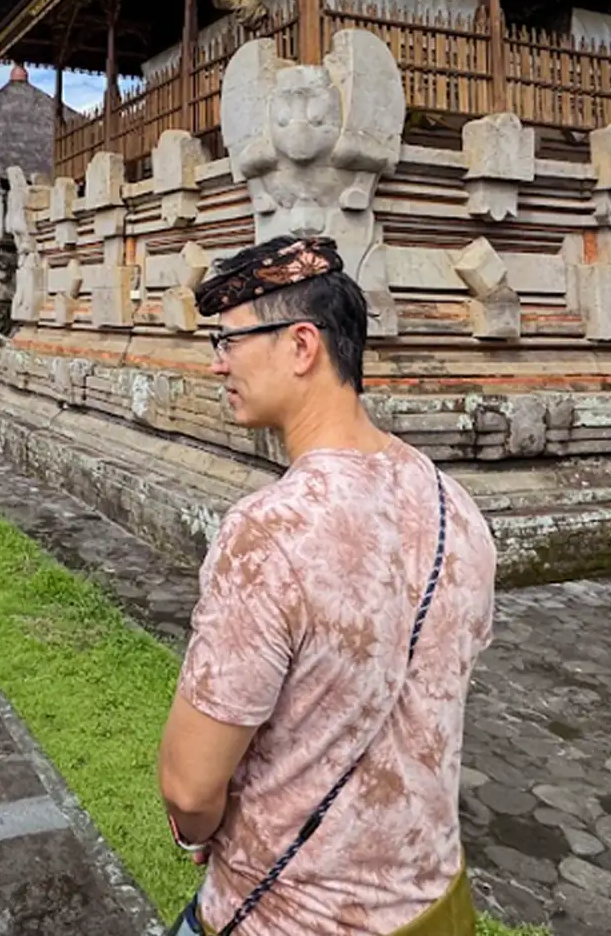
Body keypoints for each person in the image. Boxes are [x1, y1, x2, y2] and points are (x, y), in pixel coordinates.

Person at [158, 235, 497, 936]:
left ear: (302, 346)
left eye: (229, 340)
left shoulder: (269, 532)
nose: (218, 363)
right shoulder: (457, 509)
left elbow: (189, 786)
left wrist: (197, 837)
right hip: (434, 906)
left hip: (291, 915)